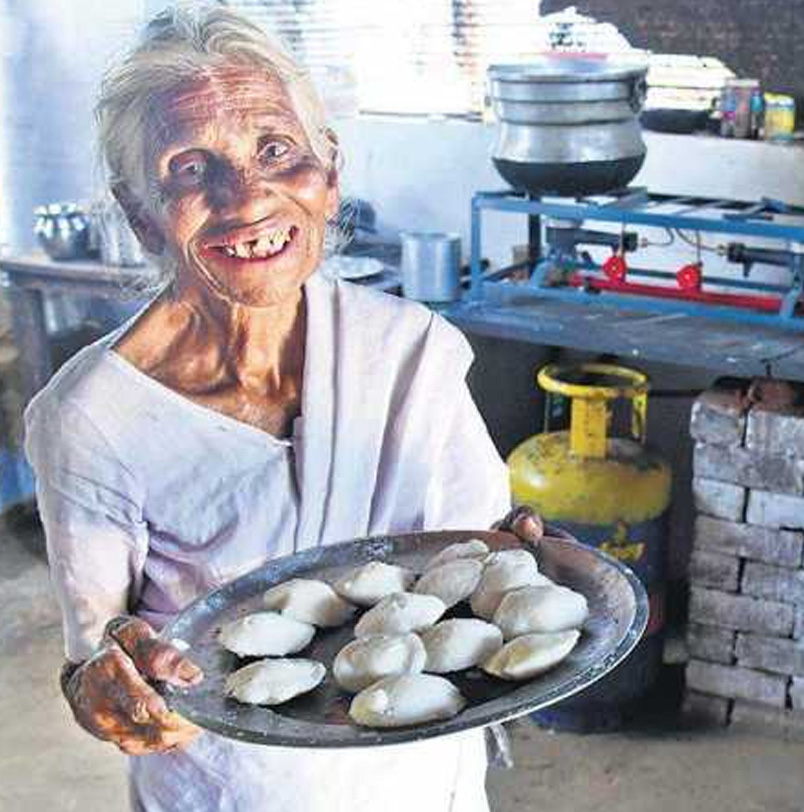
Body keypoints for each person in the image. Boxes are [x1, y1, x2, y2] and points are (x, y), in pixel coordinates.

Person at [25, 6, 539, 810]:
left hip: (422, 779)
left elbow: (476, 562)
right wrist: (115, 690)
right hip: (235, 791)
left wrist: (531, 558)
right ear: (140, 217)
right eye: (192, 169)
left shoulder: (408, 351)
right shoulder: (94, 418)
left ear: (327, 176)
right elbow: (94, 658)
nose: (246, 198)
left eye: (275, 151)